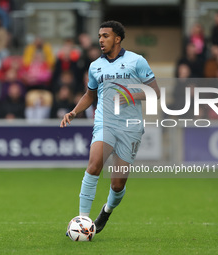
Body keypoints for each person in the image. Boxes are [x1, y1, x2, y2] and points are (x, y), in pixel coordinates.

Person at [60, 21, 160, 234]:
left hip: (130, 128)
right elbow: (90, 94)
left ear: (117, 38)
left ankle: (107, 210)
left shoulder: (137, 61)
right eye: (99, 36)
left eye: (105, 36)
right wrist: (74, 112)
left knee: (117, 185)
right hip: (105, 123)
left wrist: (132, 95)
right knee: (94, 165)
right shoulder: (95, 66)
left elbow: (155, 92)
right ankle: (83, 221)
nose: (101, 40)